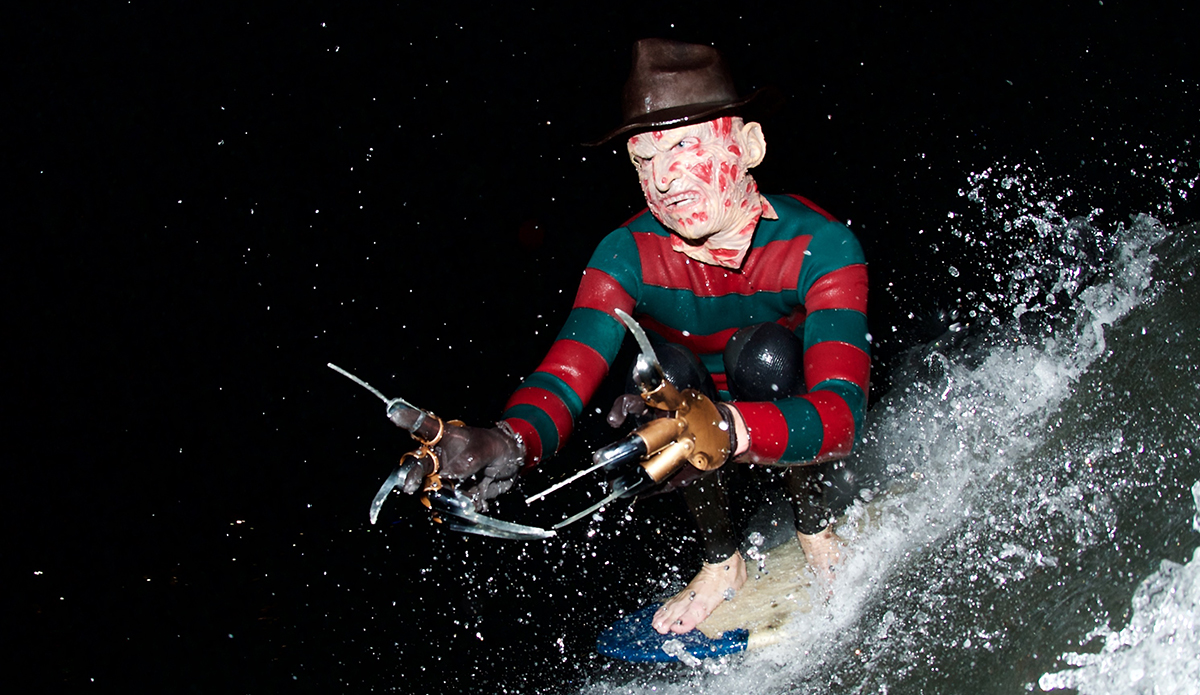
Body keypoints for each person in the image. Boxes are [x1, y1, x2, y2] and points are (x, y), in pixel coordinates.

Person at [400, 38, 869, 635]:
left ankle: (815, 527)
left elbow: (842, 412)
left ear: (750, 146)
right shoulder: (625, 253)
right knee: (661, 375)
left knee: (766, 354)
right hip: (687, 409)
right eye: (644, 160)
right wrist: (508, 440)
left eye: (684, 146)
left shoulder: (821, 243)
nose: (664, 179)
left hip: (778, 399)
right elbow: (567, 371)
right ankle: (721, 561)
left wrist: (730, 427)